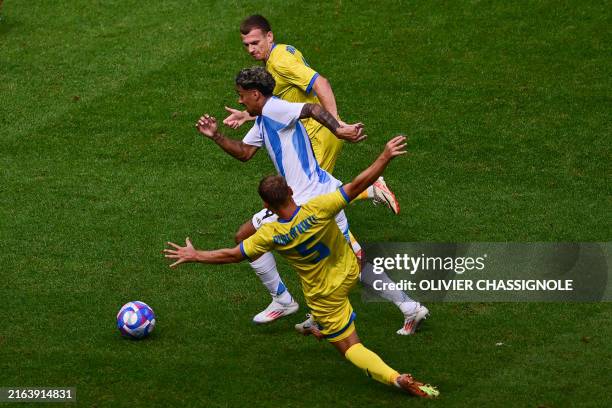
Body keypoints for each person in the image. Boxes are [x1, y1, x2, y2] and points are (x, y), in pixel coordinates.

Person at [164, 136, 439, 398]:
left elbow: (233, 254)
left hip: (324, 296)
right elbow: (358, 185)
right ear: (292, 192)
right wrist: (384, 156)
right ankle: (319, 324)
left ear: (266, 205)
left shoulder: (270, 234)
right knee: (348, 265)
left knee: (349, 347)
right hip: (350, 269)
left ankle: (395, 377)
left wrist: (196, 254)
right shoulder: (319, 207)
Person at [197, 67, 428, 335]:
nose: (239, 101)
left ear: (256, 94)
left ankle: (286, 301)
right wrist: (216, 136)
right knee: (341, 259)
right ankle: (399, 308)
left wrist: (339, 130)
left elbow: (311, 109)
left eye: (241, 95)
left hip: (308, 202)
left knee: (247, 239)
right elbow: (245, 153)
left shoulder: (275, 109)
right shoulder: (263, 119)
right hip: (319, 193)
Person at [224, 14, 399, 214]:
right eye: (246, 45)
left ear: (269, 36)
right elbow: (286, 101)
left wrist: (337, 125)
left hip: (318, 134)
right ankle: (368, 196)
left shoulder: (280, 62)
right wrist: (247, 115)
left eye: (255, 43)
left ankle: (371, 190)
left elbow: (320, 82)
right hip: (311, 133)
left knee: (309, 205)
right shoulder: (280, 53)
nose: (251, 49)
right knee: (317, 202)